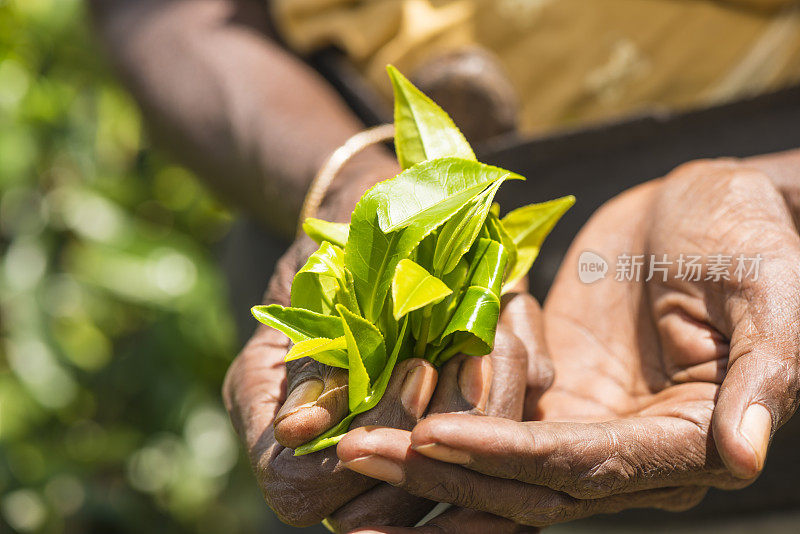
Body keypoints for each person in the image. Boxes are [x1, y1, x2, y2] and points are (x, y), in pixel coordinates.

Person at [89, 0, 800, 532]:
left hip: (727, 260)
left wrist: (776, 188)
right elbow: (166, 15)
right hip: (307, 159)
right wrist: (342, 181)